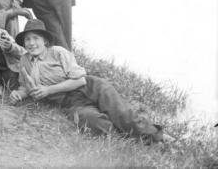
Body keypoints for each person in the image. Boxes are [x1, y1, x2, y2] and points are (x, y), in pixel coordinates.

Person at [9, 19, 166, 143]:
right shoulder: (24, 60)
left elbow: (80, 81)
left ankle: (156, 135)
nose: (31, 43)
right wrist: (19, 94)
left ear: (45, 41)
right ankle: (137, 140)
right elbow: (25, 86)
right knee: (95, 123)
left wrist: (48, 90)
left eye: (36, 38)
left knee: (121, 112)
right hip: (70, 101)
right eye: (27, 39)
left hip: (91, 87)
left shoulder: (58, 52)